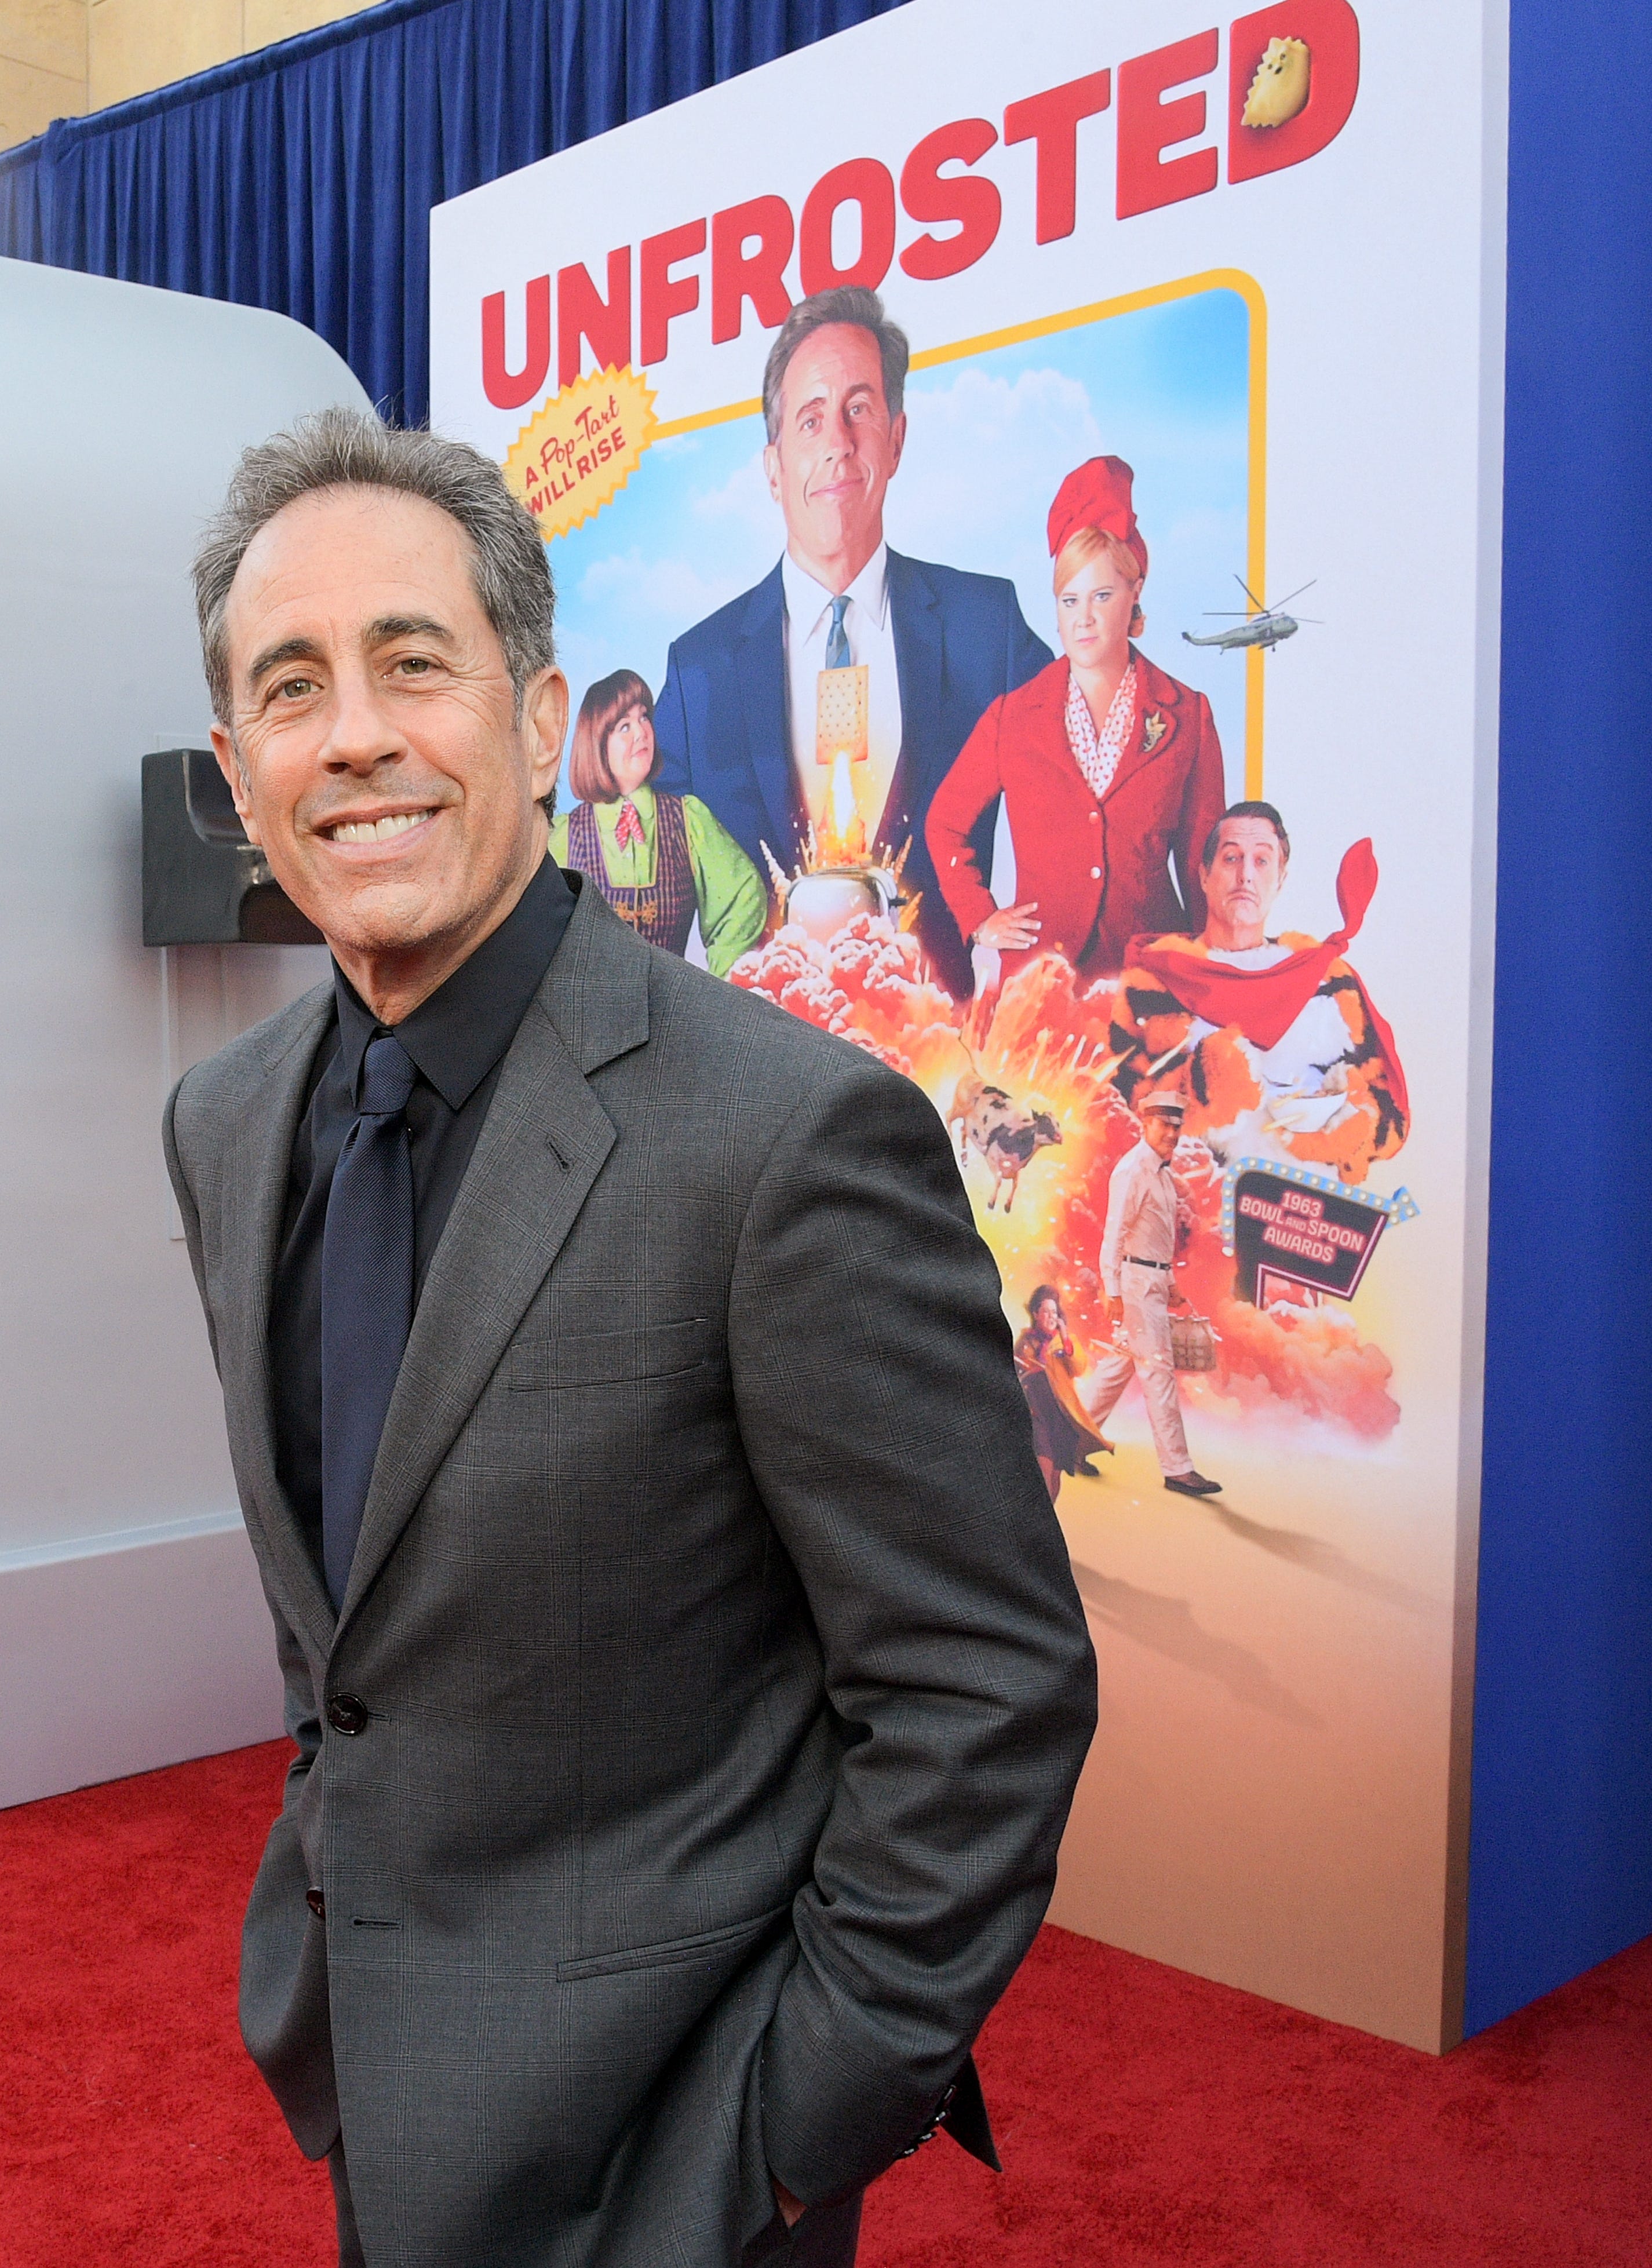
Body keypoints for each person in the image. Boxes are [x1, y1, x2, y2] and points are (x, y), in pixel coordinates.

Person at [165, 408, 1096, 2267]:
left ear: (536, 720)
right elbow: (344, 1634)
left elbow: (982, 1686)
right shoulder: (226, 1121)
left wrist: (793, 2125)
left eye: (410, 663)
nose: (351, 734)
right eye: (290, 687)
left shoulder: (785, 1138)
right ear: (236, 774)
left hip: (683, 2156)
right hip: (374, 2078)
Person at [650, 286, 1051, 993]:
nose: (837, 442)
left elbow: (1083, 790)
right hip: (758, 1052)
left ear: (896, 438)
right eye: (810, 420)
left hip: (940, 1048)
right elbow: (640, 896)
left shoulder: (986, 629)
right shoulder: (698, 674)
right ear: (772, 467)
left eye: (858, 409)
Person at [924, 457, 1226, 991]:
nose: (1083, 618)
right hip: (1041, 990)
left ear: (1135, 593)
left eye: (1102, 596)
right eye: (1070, 600)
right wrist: (980, 918)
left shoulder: (1188, 715)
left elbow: (1205, 868)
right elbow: (945, 823)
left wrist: (1213, 978)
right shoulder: (1012, 718)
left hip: (1154, 990)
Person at [1108, 802, 1410, 1186]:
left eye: (1262, 861)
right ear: (1204, 875)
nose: (1246, 875)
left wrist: (1353, 1128)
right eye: (1231, 858)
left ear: (1281, 879)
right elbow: (1116, 1113)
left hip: (1304, 1211)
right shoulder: (1151, 982)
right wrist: (1201, 1093)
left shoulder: (1328, 981)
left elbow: (1388, 1112)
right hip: (1193, 1208)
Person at [561, 668, 767, 976]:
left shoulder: (688, 820)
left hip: (670, 1007)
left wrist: (720, 981)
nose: (641, 732)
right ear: (597, 743)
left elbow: (744, 897)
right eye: (625, 726)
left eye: (644, 718)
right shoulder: (564, 837)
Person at [1078, 1091, 1219, 1498]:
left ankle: (1068, 1440)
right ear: (1146, 1124)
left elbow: (1157, 1236)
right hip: (1136, 1285)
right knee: (1158, 1372)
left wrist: (1169, 1281)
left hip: (1151, 1281)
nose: (1172, 1133)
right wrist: (1113, 1290)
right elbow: (1114, 1234)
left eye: (1177, 1126)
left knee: (1117, 1368)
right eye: (1164, 1125)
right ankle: (1178, 1469)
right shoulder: (1133, 1170)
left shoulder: (1161, 1173)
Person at [1015, 1284, 1111, 1500]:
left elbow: (1079, 1368)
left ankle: (1048, 1513)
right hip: (1036, 1413)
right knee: (1044, 1466)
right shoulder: (1026, 1341)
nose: (1051, 1317)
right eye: (1046, 1312)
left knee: (1055, 1474)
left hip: (1060, 1415)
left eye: (1054, 1312)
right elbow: (1017, 1370)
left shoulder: (1065, 1342)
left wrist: (1066, 1339)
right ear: (1036, 1314)